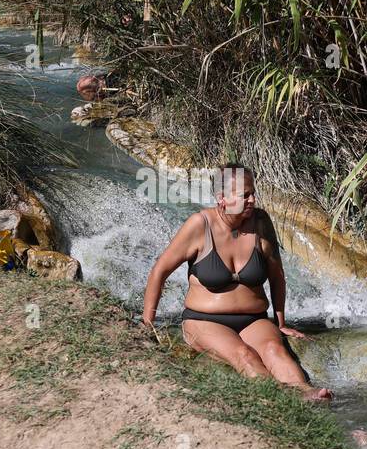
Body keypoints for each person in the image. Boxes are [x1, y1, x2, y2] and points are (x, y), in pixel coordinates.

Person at [141, 165, 332, 400]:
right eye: (245, 195)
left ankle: (308, 394)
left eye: (253, 193)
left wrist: (281, 322)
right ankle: (282, 399)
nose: (253, 199)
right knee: (245, 355)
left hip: (254, 320)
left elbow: (277, 275)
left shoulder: (260, 223)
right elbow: (159, 271)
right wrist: (147, 324)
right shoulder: (199, 225)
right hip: (204, 321)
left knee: (275, 351)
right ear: (222, 198)